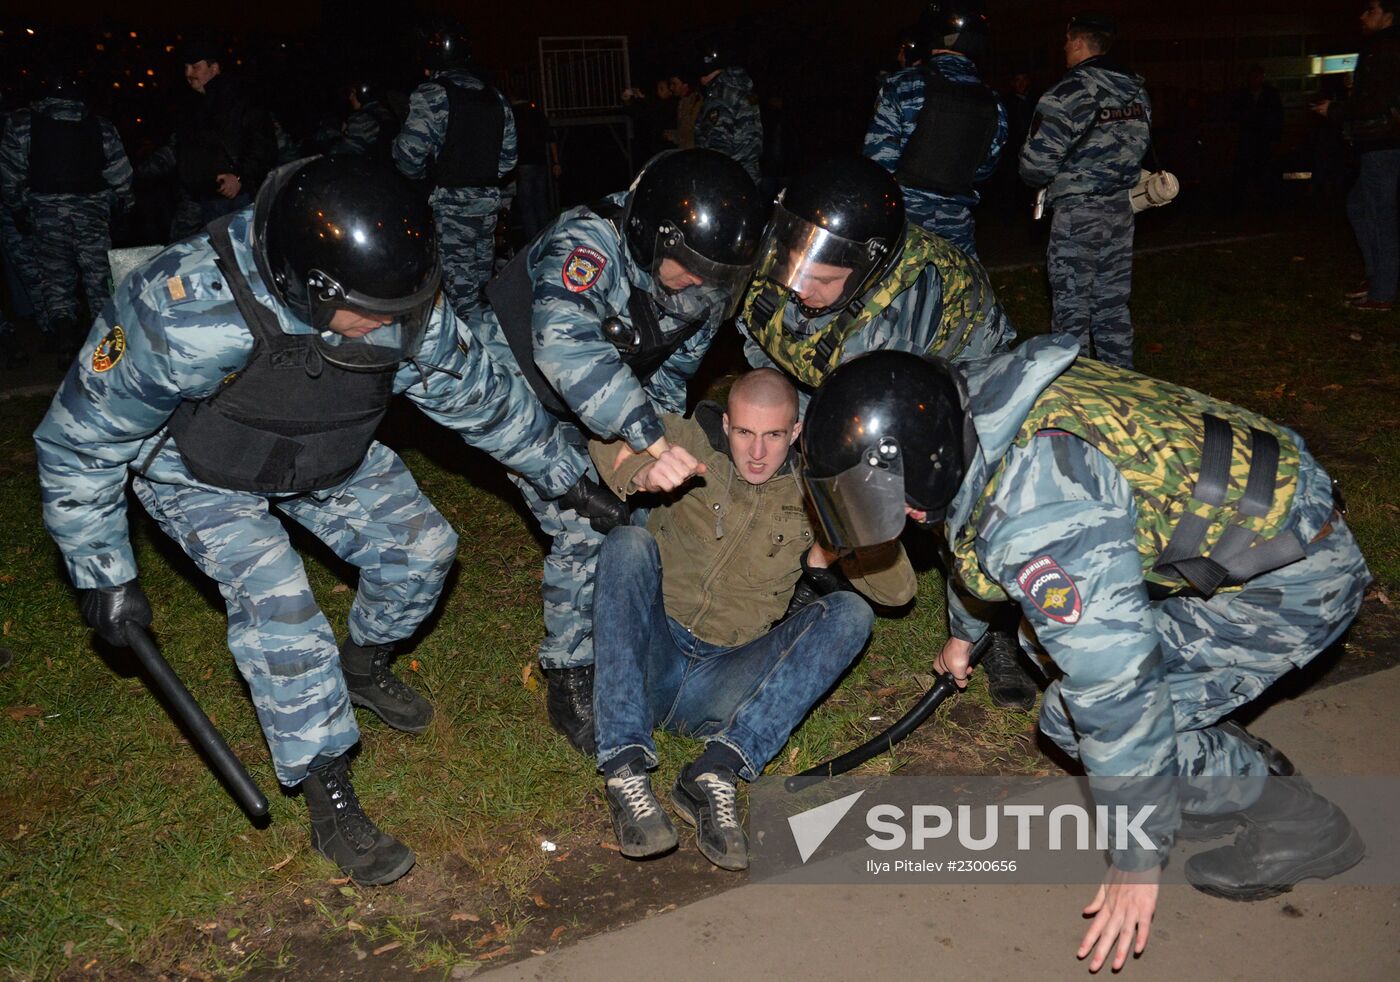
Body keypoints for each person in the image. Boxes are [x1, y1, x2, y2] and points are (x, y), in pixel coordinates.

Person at [33, 156, 622, 887]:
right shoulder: (181, 310)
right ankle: (327, 790)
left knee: (425, 551)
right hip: (202, 471)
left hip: (322, 448)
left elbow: (480, 394)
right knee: (281, 605)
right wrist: (103, 573)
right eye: (372, 317)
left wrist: (564, 478)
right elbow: (82, 440)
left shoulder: (393, 298)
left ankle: (364, 664)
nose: (390, 328)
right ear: (308, 287)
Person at [800, 341, 1370, 972]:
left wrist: (1135, 855)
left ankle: (1301, 825)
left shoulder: (1044, 511)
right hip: (1275, 530)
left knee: (1074, 717)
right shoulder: (974, 402)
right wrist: (965, 631)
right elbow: (970, 533)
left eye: (895, 499)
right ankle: (1203, 770)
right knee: (1040, 640)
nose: (901, 516)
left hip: (1296, 581)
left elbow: (1116, 684)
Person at [466, 147, 767, 755]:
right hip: (512, 384)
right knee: (584, 517)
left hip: (598, 397)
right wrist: (646, 438)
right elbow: (563, 349)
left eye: (716, 275)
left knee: (640, 507)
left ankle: (637, 633)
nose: (701, 285)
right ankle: (572, 673)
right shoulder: (588, 244)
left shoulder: (703, 278)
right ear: (654, 235)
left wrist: (657, 449)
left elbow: (665, 375)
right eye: (689, 268)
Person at [736, 156, 1035, 708]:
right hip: (849, 381)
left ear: (867, 269)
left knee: (964, 515)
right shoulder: (800, 256)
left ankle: (998, 637)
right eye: (794, 270)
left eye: (820, 281)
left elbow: (876, 429)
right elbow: (766, 337)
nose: (799, 287)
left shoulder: (906, 304)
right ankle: (808, 577)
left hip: (952, 406)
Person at [589, 368, 915, 870]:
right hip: (652, 654)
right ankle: (624, 767)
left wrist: (853, 533)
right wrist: (640, 470)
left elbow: (898, 593)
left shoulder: (817, 488)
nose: (757, 453)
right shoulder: (689, 439)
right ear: (726, 425)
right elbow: (602, 430)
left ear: (797, 432)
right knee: (629, 544)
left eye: (773, 436)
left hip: (727, 679)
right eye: (744, 433)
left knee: (852, 613)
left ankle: (717, 770)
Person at [1019, 13, 1150, 368]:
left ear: (1078, 42)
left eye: (1066, 41)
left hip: (1078, 216)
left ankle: (1079, 395)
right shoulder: (1136, 91)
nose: (1064, 48)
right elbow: (1140, 147)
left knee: (1071, 311)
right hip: (1121, 211)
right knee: (1112, 307)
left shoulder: (1067, 92)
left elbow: (1036, 166)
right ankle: (1123, 386)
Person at [0, 71, 133, 366]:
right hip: (92, 214)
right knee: (99, 280)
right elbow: (120, 173)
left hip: (46, 214)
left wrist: (19, 207)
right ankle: (107, 347)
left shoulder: (22, 124)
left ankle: (65, 341)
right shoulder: (100, 125)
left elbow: (11, 175)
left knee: (56, 280)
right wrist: (124, 204)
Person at [864, 1, 1007, 259]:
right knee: (959, 296)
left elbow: (876, 163)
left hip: (904, 224)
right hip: (958, 228)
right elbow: (985, 168)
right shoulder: (993, 101)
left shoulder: (902, 85)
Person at [394, 20, 516, 312]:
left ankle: (468, 351)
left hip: (450, 208)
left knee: (458, 296)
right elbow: (508, 159)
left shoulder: (431, 95)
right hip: (486, 207)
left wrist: (424, 178)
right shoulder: (494, 96)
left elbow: (408, 155)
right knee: (482, 287)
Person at [139, 38, 276, 242]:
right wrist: (135, 171)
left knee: (236, 258)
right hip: (196, 201)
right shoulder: (190, 105)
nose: (188, 74)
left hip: (233, 200)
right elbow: (177, 149)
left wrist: (240, 177)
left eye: (195, 67)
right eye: (186, 67)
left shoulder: (240, 100)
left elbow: (263, 146)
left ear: (215, 68)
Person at [1312, 1, 1400, 311]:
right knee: (1360, 205)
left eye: (1371, 11)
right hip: (1378, 144)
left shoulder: (1386, 48)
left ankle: (1382, 293)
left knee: (1381, 217)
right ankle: (1377, 279)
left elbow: (1376, 102)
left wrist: (1334, 109)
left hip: (1383, 144)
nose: (1363, 16)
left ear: (1388, 16)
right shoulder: (1380, 47)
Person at [692, 40, 763, 183]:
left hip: (729, 179)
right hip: (748, 175)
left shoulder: (721, 95)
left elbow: (717, 147)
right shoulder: (740, 86)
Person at [331, 80, 400, 160]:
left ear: (361, 95)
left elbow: (342, 152)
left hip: (375, 169)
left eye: (352, 93)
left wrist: (336, 137)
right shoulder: (385, 111)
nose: (350, 98)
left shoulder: (360, 119)